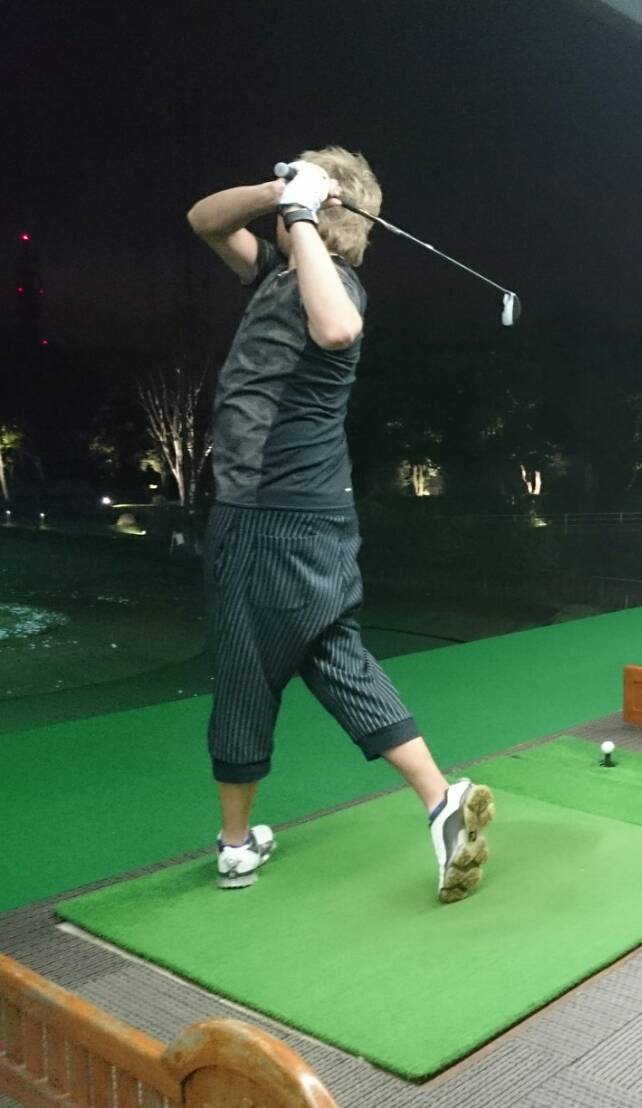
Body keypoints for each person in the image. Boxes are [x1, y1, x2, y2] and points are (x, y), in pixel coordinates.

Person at [187, 148, 492, 902]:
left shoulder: (333, 282)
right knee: (332, 654)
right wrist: (277, 191)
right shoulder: (276, 272)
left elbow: (335, 328)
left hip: (266, 517)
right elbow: (204, 219)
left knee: (245, 672)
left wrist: (301, 212)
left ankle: (235, 846)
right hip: (313, 515)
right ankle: (440, 801)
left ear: (325, 213)